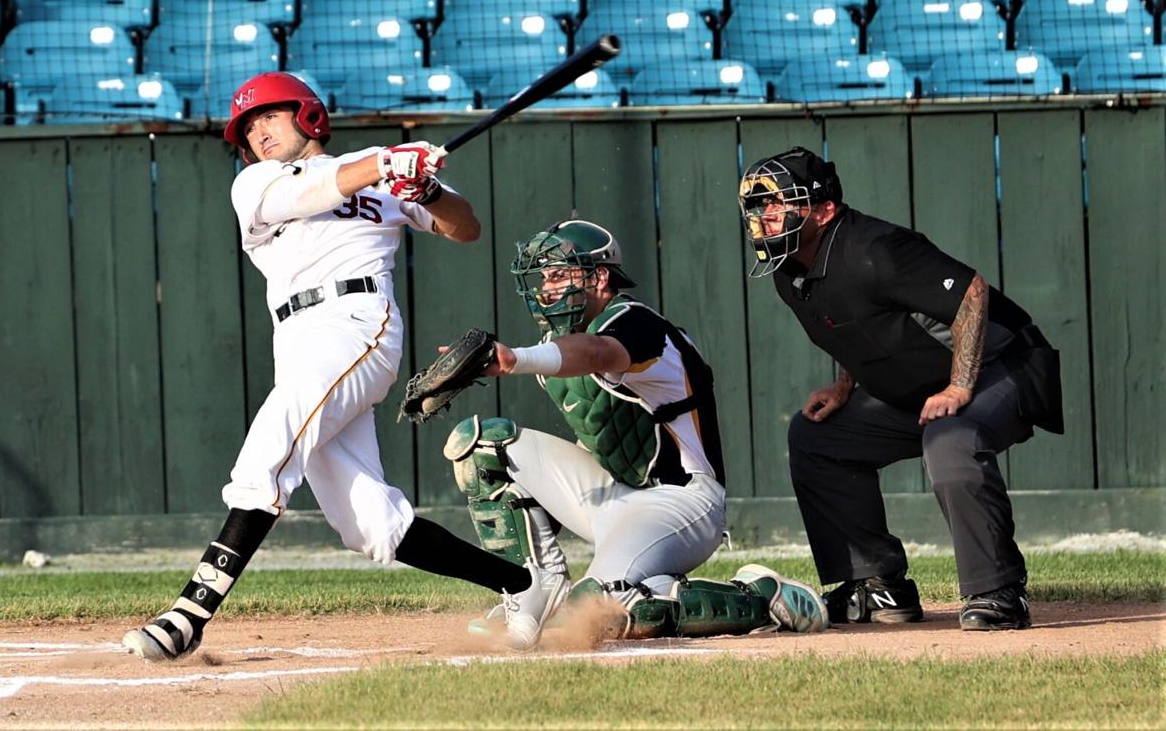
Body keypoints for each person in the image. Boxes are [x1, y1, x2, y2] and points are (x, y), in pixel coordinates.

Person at [122, 72, 569, 660]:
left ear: (307, 115)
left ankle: (191, 613)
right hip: (297, 339)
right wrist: (388, 162)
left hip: (356, 321)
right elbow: (313, 190)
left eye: (269, 116)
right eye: (249, 127)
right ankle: (526, 585)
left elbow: (465, 228)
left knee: (271, 445)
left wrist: (424, 188)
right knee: (367, 525)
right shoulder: (256, 183)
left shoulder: (377, 171)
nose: (258, 131)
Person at [441, 219, 829, 639]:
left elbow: (596, 352)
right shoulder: (558, 344)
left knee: (598, 609)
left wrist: (515, 358)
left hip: (681, 503)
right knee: (482, 443)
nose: (547, 288)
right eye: (544, 278)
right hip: (615, 497)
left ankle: (761, 598)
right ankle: (533, 590)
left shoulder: (636, 323)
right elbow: (599, 433)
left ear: (600, 277)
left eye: (559, 274)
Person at [738, 146, 1064, 631]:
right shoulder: (789, 272)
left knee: (951, 439)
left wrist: (959, 385)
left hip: (1004, 364)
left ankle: (998, 591)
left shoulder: (874, 249)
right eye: (757, 206)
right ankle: (876, 586)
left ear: (824, 209)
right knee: (817, 438)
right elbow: (851, 324)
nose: (764, 216)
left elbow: (971, 292)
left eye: (777, 203)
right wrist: (845, 385)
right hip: (921, 387)